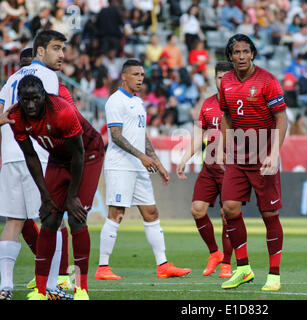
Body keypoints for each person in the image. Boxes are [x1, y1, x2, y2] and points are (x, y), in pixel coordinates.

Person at [3, 74, 105, 300]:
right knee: (49, 218)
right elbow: (30, 156)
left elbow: (78, 155)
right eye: (25, 99)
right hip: (58, 158)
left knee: (77, 218)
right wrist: (45, 196)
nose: (30, 105)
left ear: (44, 96)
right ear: (18, 98)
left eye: (35, 99)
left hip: (88, 156)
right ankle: (41, 291)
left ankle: (81, 289)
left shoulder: (62, 112)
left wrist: (71, 197)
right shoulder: (16, 116)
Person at [95, 59, 191, 281]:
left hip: (138, 166)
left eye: (142, 75)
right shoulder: (115, 101)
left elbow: (141, 134)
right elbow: (116, 136)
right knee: (116, 214)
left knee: (151, 212)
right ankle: (103, 267)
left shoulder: (138, 102)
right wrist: (142, 157)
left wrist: (156, 161)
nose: (140, 79)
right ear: (124, 76)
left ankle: (163, 265)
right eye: (136, 74)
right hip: (120, 166)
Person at [0, 31, 74, 301]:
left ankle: (5, 287)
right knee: (51, 221)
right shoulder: (47, 77)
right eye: (56, 48)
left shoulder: (10, 79)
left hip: (10, 155)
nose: (61, 55)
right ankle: (51, 287)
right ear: (40, 52)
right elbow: (52, 117)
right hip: (38, 157)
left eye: (63, 49)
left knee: (13, 223)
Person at [219, 34, 287, 291]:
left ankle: (274, 274)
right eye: (236, 52)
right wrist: (223, 146)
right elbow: (226, 115)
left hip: (263, 156)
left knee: (269, 213)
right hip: (238, 155)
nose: (241, 56)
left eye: (246, 51)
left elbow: (282, 119)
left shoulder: (267, 81)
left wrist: (274, 153)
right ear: (230, 56)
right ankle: (244, 269)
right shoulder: (225, 81)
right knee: (229, 208)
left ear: (253, 54)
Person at [176, 62, 234, 278]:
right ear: (214, 79)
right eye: (219, 77)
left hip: (231, 167)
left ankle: (227, 263)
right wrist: (184, 158)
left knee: (227, 213)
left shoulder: (240, 104)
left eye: (226, 77)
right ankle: (215, 253)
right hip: (209, 166)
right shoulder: (208, 104)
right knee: (197, 210)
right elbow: (199, 135)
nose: (223, 81)